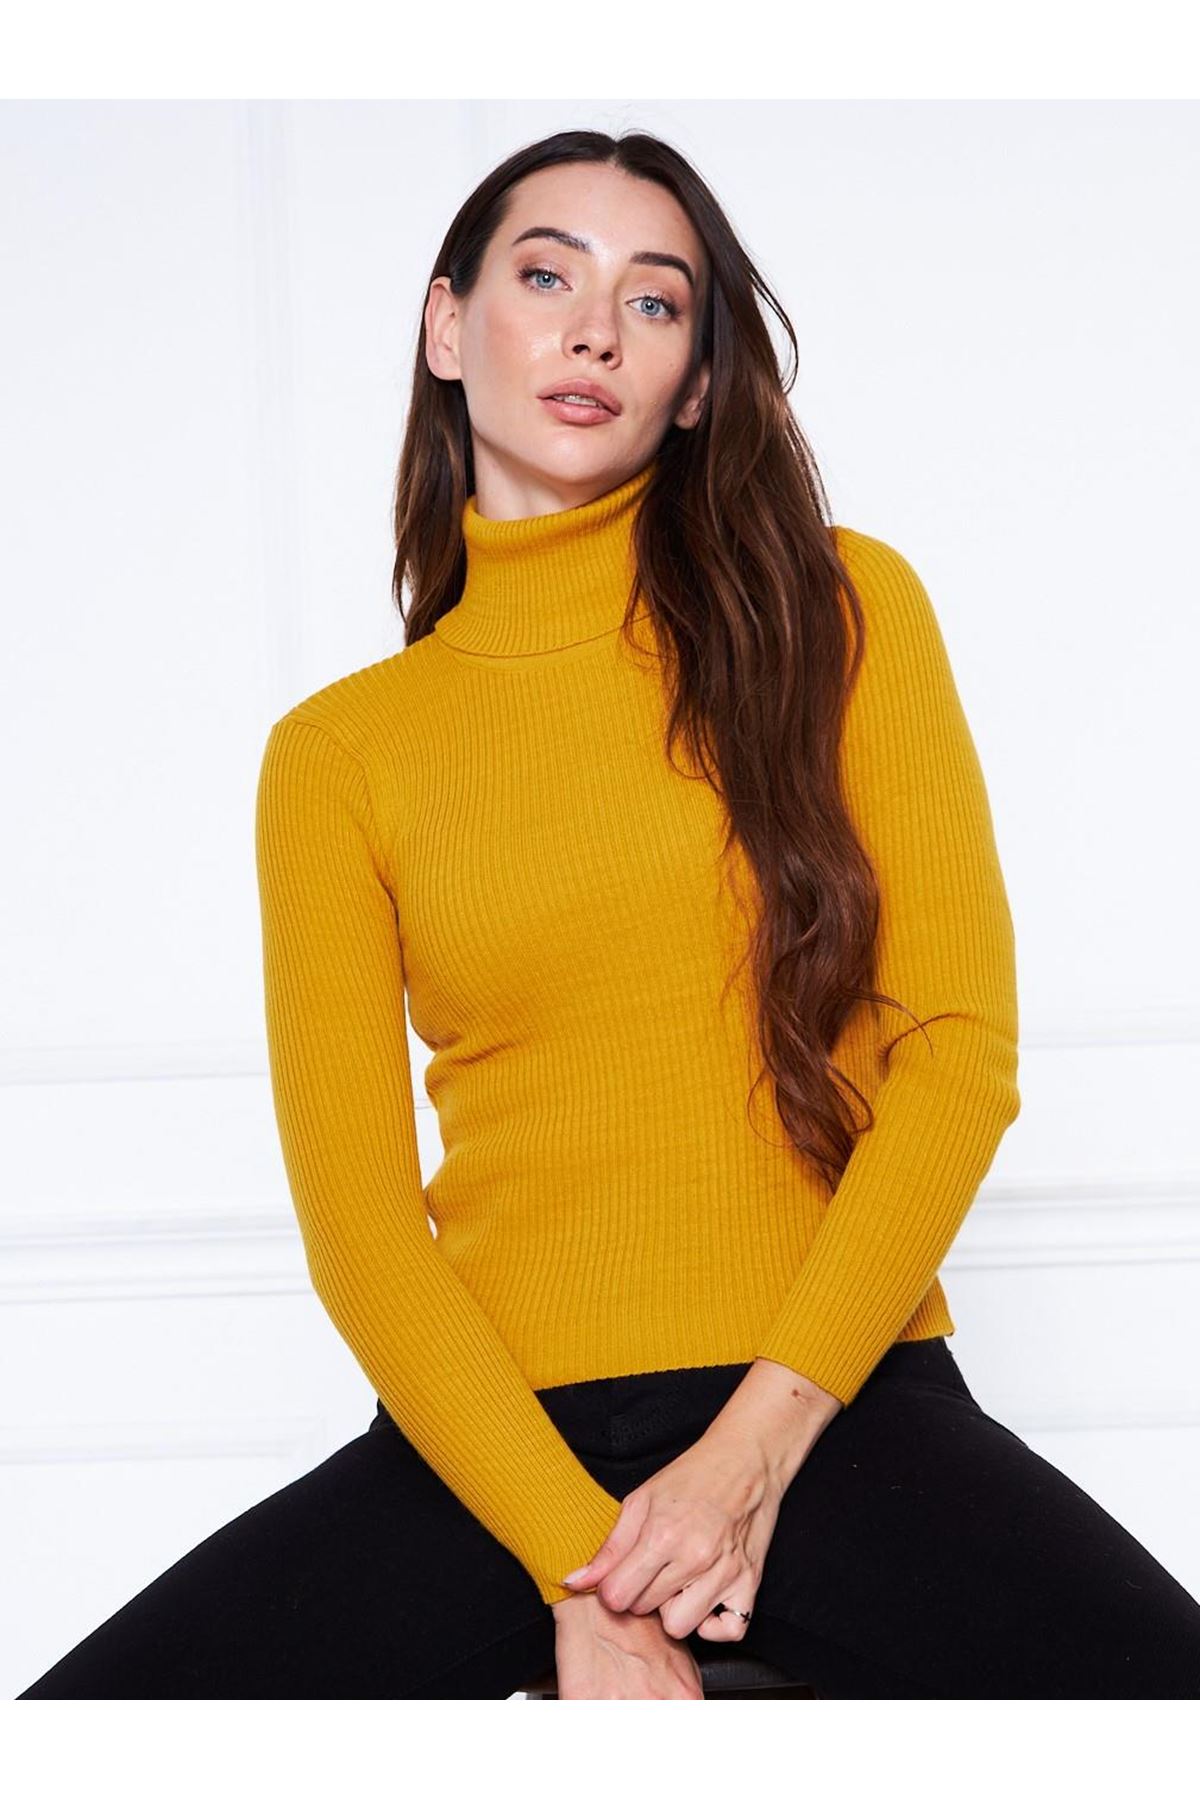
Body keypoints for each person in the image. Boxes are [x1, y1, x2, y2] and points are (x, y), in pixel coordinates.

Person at [17, 127, 1200, 1702]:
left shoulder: (842, 611)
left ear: (696, 383)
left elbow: (957, 1058)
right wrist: (588, 1571)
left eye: (654, 302)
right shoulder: (341, 753)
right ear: (449, 327)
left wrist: (747, 1459)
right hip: (494, 1442)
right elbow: (360, 1225)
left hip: (827, 1406)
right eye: (546, 277)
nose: (593, 332)